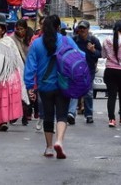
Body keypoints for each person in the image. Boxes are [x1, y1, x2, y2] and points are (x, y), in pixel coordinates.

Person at [23, 15, 79, 158]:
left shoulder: (36, 44)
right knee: (61, 115)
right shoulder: (67, 41)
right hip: (63, 85)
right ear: (59, 27)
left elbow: (30, 67)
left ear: (43, 27)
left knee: (48, 116)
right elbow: (79, 58)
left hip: (45, 86)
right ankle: (59, 141)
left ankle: (48, 147)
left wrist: (30, 86)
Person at [67, 20, 101, 124]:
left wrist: (93, 51)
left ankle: (89, 114)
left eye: (84, 28)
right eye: (80, 28)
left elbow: (100, 54)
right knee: (74, 91)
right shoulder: (74, 40)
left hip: (88, 70)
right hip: (76, 70)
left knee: (88, 93)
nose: (82, 30)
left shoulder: (94, 40)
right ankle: (71, 113)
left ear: (88, 29)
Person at [12, 19, 36, 125]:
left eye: (21, 29)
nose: (19, 31)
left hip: (28, 68)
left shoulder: (30, 39)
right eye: (17, 29)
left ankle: (25, 115)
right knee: (17, 92)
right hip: (16, 69)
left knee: (28, 92)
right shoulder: (12, 39)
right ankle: (16, 114)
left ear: (26, 29)